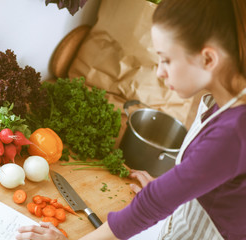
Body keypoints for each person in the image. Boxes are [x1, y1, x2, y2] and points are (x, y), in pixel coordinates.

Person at [16, 0, 246, 239]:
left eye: (166, 60)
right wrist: (175, 185)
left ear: (208, 59)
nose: (159, 72)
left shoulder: (234, 133)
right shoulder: (227, 97)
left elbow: (151, 205)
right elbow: (216, 174)